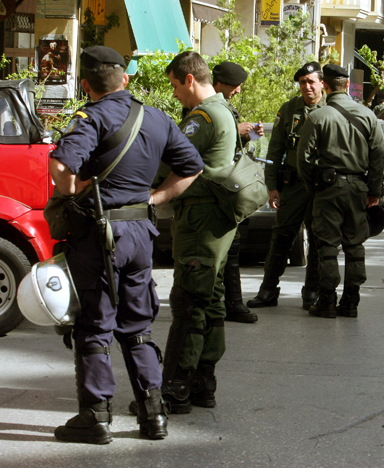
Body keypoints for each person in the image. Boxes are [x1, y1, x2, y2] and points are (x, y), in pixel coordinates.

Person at [50, 46, 204, 444]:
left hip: (100, 235)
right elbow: (192, 167)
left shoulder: (92, 117)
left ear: (86, 84)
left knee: (95, 325)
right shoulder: (155, 117)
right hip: (141, 234)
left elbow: (62, 165)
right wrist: (155, 199)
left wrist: (69, 197)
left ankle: (96, 416)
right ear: (127, 79)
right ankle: (153, 414)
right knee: (137, 325)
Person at [161, 51, 239, 414]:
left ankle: (176, 386)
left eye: (176, 86)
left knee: (189, 302)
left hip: (199, 224)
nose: (175, 93)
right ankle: (202, 383)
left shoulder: (202, 117)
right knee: (211, 300)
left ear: (189, 79)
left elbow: (174, 159)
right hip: (217, 225)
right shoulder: (224, 112)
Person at [297, 64, 384, 318]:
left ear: (324, 85)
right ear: (347, 85)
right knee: (355, 245)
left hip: (328, 189)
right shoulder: (368, 116)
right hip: (359, 188)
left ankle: (326, 301)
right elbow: (378, 155)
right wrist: (374, 190)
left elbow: (303, 159)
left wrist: (313, 186)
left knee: (326, 245)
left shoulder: (317, 117)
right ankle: (351, 302)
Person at [246, 62, 325, 310]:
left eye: (311, 81)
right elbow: (275, 149)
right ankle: (268, 291)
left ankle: (312, 291)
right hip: (292, 186)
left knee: (318, 239)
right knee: (281, 238)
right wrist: (272, 186)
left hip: (321, 186)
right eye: (302, 82)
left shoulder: (332, 108)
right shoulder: (289, 109)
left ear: (322, 83)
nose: (307, 86)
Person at [211, 61, 262, 324]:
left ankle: (232, 303)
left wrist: (246, 135)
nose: (239, 91)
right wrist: (236, 130)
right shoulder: (206, 108)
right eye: (235, 85)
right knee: (220, 251)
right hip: (215, 191)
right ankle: (226, 304)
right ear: (221, 83)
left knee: (232, 248)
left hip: (228, 189)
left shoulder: (223, 106)